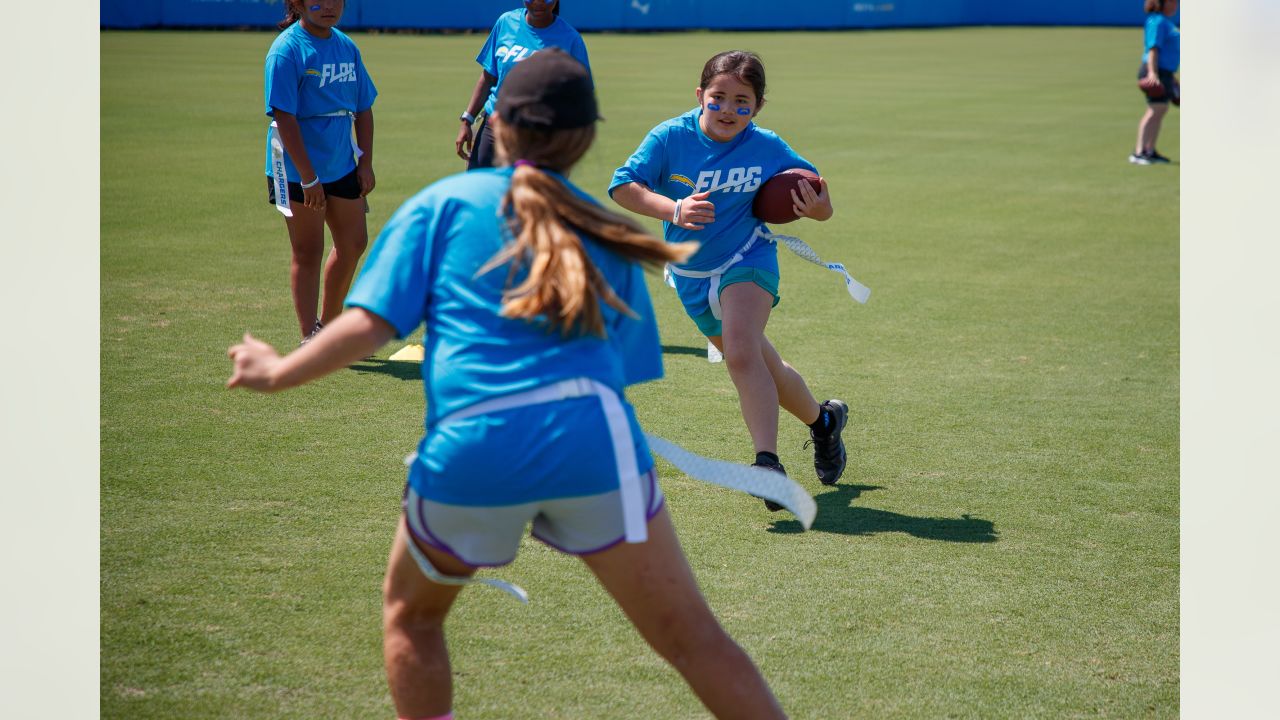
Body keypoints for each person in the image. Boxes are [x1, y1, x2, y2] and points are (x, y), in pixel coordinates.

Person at [229, 49, 787, 720]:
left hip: (474, 443)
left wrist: (278, 371)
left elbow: (367, 327)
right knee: (694, 640)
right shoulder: (606, 229)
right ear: (584, 140)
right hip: (592, 442)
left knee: (415, 621)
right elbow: (625, 375)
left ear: (497, 124)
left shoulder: (443, 203)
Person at [609, 50, 849, 507]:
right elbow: (624, 186)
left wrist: (818, 207)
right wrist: (673, 208)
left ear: (757, 107)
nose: (728, 110)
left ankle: (767, 465)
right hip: (691, 274)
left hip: (748, 257)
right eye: (717, 98)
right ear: (700, 96)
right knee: (766, 369)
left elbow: (819, 194)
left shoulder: (767, 145)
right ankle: (823, 423)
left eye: (742, 101)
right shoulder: (669, 138)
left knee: (741, 352)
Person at [264, 0, 377, 343]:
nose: (328, 6)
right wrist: (309, 176)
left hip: (341, 161)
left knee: (354, 242)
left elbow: (364, 107)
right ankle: (309, 336)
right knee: (308, 250)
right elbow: (285, 118)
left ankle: (328, 329)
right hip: (297, 169)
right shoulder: (286, 50)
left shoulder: (346, 45)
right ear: (297, 4)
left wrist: (366, 162)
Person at [454, 0, 591, 169]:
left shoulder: (570, 39)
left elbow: (580, 95)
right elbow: (488, 77)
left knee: (529, 193)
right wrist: (467, 120)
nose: (538, 3)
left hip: (540, 136)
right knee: (478, 188)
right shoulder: (506, 22)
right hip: (495, 127)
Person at [1130, 0, 1180, 165]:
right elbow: (1153, 48)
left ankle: (1150, 150)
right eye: (1172, 2)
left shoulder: (1166, 22)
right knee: (1154, 109)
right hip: (1154, 71)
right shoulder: (1156, 21)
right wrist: (1152, 73)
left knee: (1160, 109)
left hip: (1164, 72)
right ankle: (1139, 152)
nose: (1175, 5)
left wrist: (1171, 78)